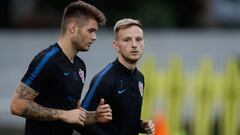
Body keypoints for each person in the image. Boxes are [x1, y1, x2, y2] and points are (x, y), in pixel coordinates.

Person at [10, 1, 112, 135]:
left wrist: (95, 116)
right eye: (90, 30)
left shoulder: (80, 66)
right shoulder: (47, 59)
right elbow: (17, 105)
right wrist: (63, 115)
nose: (94, 37)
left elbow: (74, 114)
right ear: (73, 28)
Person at [80, 18, 154, 135]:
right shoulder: (104, 79)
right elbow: (81, 121)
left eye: (138, 39)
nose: (134, 45)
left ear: (143, 44)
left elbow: (123, 121)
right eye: (127, 40)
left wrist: (140, 126)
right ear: (116, 46)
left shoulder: (140, 78)